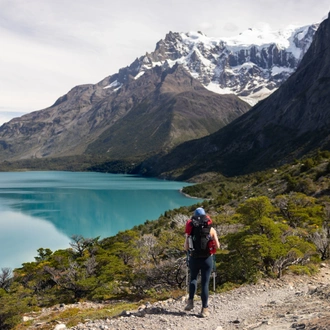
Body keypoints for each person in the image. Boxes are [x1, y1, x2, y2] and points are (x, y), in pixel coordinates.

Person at [184, 207, 220, 317]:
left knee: (193, 278)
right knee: (205, 282)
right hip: (207, 259)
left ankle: (190, 301)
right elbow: (218, 246)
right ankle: (204, 309)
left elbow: (186, 246)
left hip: (194, 257)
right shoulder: (211, 229)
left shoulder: (190, 230)